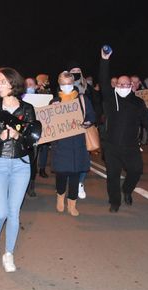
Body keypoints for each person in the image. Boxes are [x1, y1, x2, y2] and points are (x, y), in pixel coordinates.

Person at [0, 67, 36, 272]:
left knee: (14, 213)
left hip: (21, 165)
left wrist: (18, 136)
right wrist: (1, 138)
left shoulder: (27, 109)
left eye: (3, 81)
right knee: (1, 212)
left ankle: (9, 253)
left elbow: (33, 139)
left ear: (13, 83)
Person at [98, 49, 148, 213]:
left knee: (136, 170)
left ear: (131, 86)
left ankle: (127, 190)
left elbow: (147, 120)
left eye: (127, 84)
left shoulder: (138, 102)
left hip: (131, 147)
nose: (124, 86)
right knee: (113, 175)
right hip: (111, 146)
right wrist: (104, 60)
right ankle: (115, 202)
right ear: (116, 85)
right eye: (120, 84)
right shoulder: (110, 99)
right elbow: (103, 80)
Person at [51, 71, 95, 216]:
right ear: (59, 84)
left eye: (69, 83)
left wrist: (88, 122)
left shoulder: (82, 99)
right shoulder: (55, 101)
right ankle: (60, 197)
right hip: (61, 144)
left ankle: (72, 203)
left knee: (75, 174)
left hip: (78, 143)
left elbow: (91, 115)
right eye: (63, 84)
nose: (67, 86)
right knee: (62, 174)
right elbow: (49, 122)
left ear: (73, 84)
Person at [67, 61, 101, 200]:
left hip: (84, 127)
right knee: (69, 158)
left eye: (77, 72)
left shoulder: (87, 88)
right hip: (68, 129)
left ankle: (80, 182)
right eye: (72, 72)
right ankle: (71, 180)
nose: (75, 75)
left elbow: (95, 105)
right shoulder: (64, 89)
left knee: (83, 158)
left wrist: (92, 121)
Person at [24, 77, 39, 197]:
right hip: (22, 135)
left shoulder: (42, 97)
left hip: (34, 136)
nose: (29, 86)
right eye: (27, 84)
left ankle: (31, 186)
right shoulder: (19, 98)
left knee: (32, 161)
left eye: (31, 84)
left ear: (36, 86)